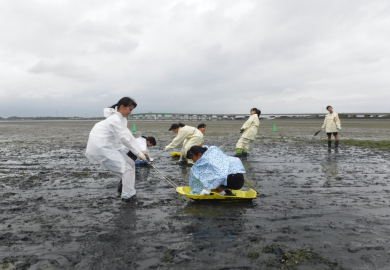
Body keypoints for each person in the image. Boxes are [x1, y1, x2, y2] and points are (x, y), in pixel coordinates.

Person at [85, 97, 146, 202]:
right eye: (130, 109)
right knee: (125, 169)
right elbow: (123, 138)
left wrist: (140, 150)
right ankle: (127, 196)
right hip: (102, 147)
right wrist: (137, 152)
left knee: (130, 163)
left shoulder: (122, 119)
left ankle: (127, 190)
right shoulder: (115, 119)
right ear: (122, 107)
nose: (130, 112)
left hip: (109, 146)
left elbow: (129, 136)